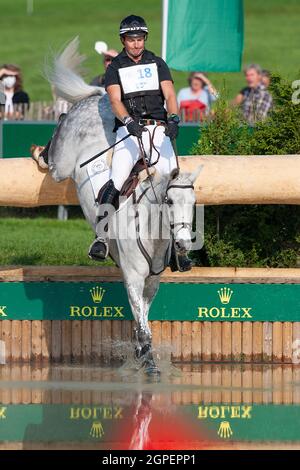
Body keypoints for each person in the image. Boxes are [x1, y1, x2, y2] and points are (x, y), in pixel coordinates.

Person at [88, 14, 193, 271]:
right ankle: (101, 237)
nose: (136, 44)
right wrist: (127, 122)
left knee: (176, 184)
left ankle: (181, 249)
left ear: (144, 39)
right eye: (131, 39)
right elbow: (115, 100)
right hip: (130, 130)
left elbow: (169, 93)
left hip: (158, 129)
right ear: (123, 40)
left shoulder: (157, 62)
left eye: (140, 39)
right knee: (117, 178)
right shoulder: (115, 67)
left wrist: (174, 117)